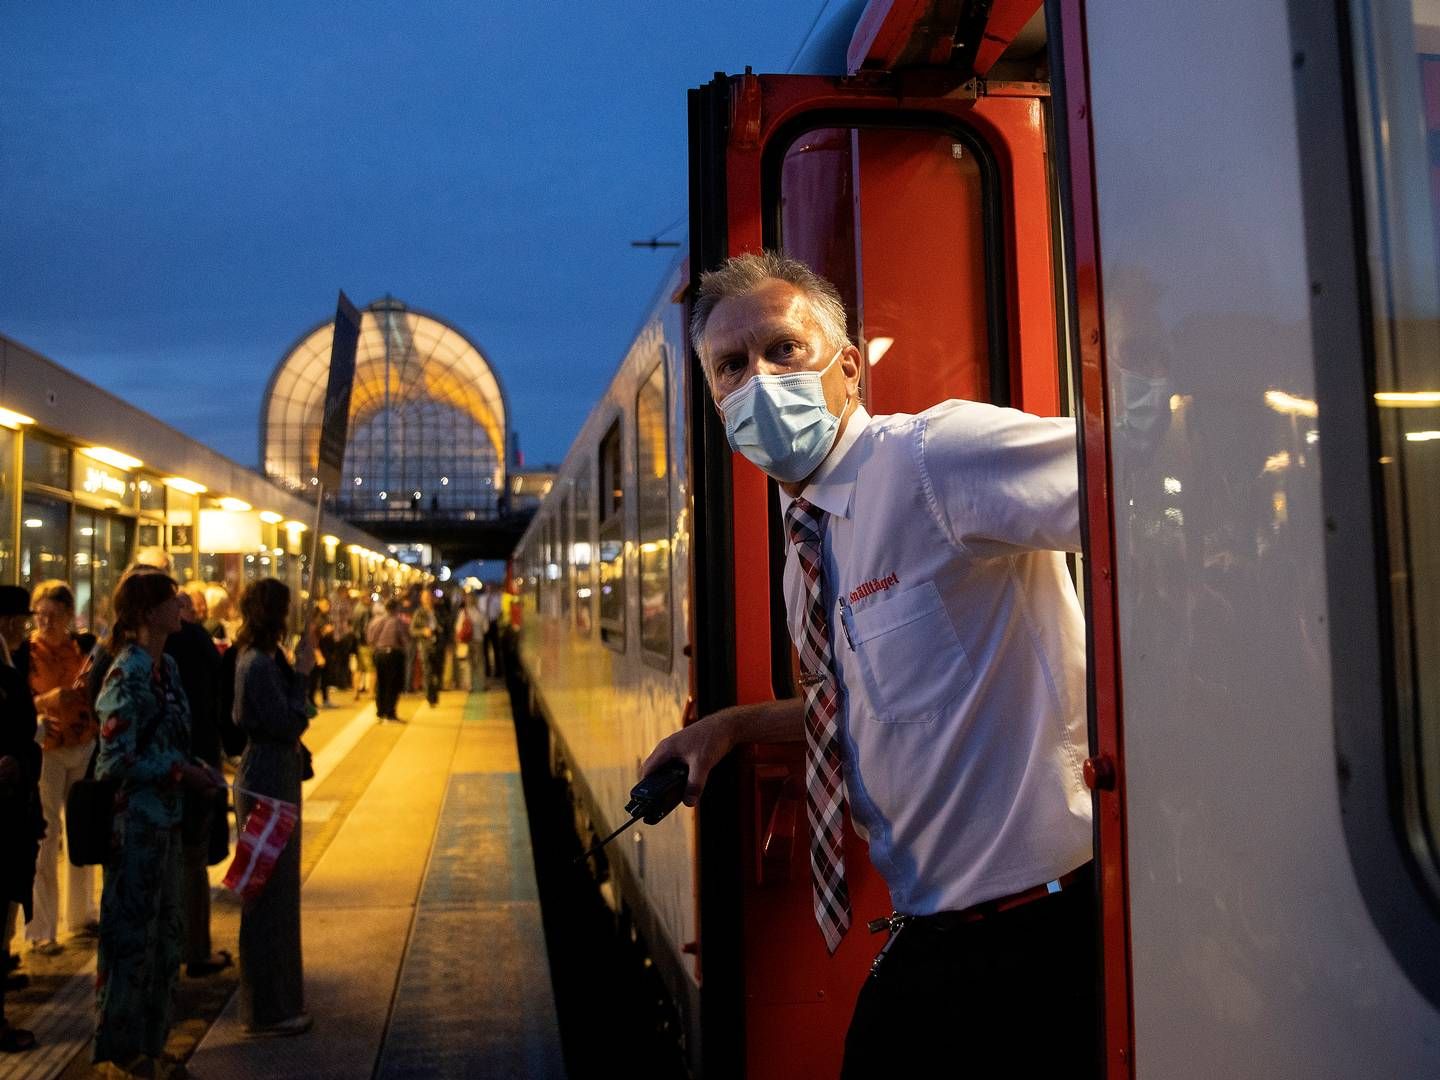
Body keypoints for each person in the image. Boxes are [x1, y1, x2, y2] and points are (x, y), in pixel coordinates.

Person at [639, 253, 1094, 1077]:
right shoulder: (807, 542)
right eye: (731, 367)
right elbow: (858, 700)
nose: (760, 381)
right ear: (715, 401)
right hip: (936, 931)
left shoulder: (931, 461)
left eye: (784, 350)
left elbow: (1129, 484)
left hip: (1041, 938)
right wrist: (733, 726)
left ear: (847, 367)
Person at [93, 570, 225, 1077]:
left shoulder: (166, 667)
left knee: (167, 936)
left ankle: (153, 1041)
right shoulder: (124, 673)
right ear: (147, 614)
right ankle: (121, 1050)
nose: (181, 604)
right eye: (171, 600)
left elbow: (177, 736)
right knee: (130, 938)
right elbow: (114, 760)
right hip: (135, 829)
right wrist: (178, 772)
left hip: (169, 820)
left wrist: (199, 768)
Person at [231, 579, 311, 1038]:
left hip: (267, 777)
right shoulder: (258, 664)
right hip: (268, 781)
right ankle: (268, 1008)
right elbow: (287, 721)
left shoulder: (256, 659)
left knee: (271, 891)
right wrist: (300, 677)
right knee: (269, 894)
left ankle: (275, 1000)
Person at [25, 581, 99, 955]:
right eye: (40, 613)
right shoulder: (27, 653)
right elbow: (19, 704)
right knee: (45, 834)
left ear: (69, 616)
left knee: (81, 831)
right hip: (47, 748)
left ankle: (82, 914)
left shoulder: (80, 648)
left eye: (53, 614)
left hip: (81, 743)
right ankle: (41, 928)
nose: (45, 621)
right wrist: (47, 700)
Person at [169, 587, 231, 979]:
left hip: (184, 765)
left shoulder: (128, 653)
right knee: (191, 859)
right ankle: (195, 948)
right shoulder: (193, 642)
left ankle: (174, 951)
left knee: (177, 862)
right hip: (193, 763)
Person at [0, 586, 43, 1055]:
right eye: (17, 620)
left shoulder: (14, 666)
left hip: (15, 809)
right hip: (6, 809)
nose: (20, 629)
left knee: (8, 899)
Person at [365, 599, 408, 722]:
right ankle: (390, 713)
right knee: (393, 685)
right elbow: (403, 639)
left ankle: (380, 711)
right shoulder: (396, 621)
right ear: (396, 609)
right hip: (393, 654)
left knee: (381, 683)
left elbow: (370, 638)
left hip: (379, 653)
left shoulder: (375, 621)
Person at [409, 591, 441, 707]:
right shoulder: (419, 613)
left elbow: (446, 624)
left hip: (437, 645)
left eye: (429, 597)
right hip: (425, 646)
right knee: (427, 672)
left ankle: (435, 694)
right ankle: (430, 698)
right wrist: (423, 631)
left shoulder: (438, 611)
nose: (427, 599)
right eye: (425, 597)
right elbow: (412, 630)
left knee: (437, 672)